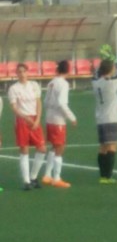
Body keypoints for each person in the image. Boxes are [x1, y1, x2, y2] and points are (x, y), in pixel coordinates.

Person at [8, 63, 47, 190]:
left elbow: (39, 103)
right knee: (24, 150)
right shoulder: (14, 88)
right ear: (17, 74)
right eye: (19, 72)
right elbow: (14, 107)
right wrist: (25, 118)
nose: (22, 74)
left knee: (42, 148)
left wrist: (38, 119)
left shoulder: (34, 85)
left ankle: (33, 177)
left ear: (27, 72)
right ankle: (26, 181)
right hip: (22, 121)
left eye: (24, 71)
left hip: (35, 119)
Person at [92, 54, 117, 184]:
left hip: (100, 118)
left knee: (102, 147)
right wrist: (114, 58)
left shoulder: (95, 82)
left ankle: (103, 176)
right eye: (113, 68)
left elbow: (95, 72)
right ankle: (108, 176)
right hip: (111, 118)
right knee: (112, 146)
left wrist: (103, 62)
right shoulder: (112, 83)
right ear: (111, 69)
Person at [42, 60, 77, 188]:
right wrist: (72, 117)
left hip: (49, 118)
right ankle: (56, 177)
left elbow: (45, 101)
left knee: (53, 146)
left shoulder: (52, 82)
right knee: (60, 147)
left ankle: (47, 175)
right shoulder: (63, 84)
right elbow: (62, 103)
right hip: (58, 120)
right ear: (68, 70)